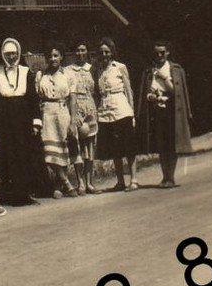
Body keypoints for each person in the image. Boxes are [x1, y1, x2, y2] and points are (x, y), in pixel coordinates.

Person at [0, 37, 42, 205]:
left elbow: (32, 98)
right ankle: (7, 194)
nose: (11, 57)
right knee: (6, 154)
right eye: (7, 54)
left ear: (19, 53)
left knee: (24, 154)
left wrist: (36, 122)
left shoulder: (25, 71)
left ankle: (24, 193)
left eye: (14, 53)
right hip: (4, 119)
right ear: (2, 54)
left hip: (23, 118)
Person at [136, 40, 193, 187]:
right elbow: (145, 92)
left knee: (172, 145)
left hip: (172, 110)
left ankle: (171, 177)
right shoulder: (149, 71)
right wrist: (151, 97)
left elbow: (180, 92)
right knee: (161, 145)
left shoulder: (176, 69)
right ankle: (164, 177)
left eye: (162, 52)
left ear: (167, 52)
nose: (159, 55)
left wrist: (163, 77)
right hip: (156, 110)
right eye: (156, 53)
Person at [95, 36, 138, 191]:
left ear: (112, 53)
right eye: (101, 52)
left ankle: (133, 180)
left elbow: (128, 90)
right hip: (105, 111)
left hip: (121, 109)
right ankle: (120, 181)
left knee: (129, 147)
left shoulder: (120, 67)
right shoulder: (98, 70)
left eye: (107, 52)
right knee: (115, 148)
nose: (104, 55)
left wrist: (132, 114)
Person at [35, 43, 77, 198]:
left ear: (61, 57)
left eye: (55, 55)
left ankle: (60, 185)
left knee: (62, 150)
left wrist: (72, 120)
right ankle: (67, 183)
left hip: (62, 111)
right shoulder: (41, 75)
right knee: (49, 152)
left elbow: (72, 98)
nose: (52, 59)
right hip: (46, 113)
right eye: (50, 56)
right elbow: (37, 97)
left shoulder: (68, 74)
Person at [65, 40, 99, 193]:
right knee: (77, 146)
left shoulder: (93, 69)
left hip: (90, 107)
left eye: (83, 50)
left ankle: (90, 182)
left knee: (90, 146)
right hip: (75, 108)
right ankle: (80, 183)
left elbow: (98, 91)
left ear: (88, 52)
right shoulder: (67, 70)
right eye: (77, 50)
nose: (80, 53)